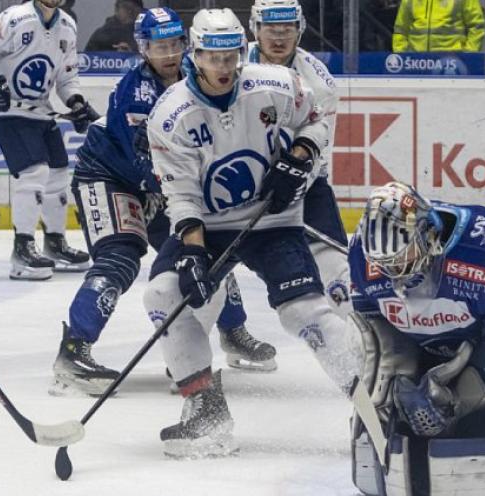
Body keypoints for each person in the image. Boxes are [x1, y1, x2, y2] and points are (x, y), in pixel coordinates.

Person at [143, 7, 361, 458]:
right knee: (166, 295)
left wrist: (300, 153)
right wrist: (192, 253)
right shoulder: (170, 115)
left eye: (230, 57)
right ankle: (206, 412)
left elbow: (316, 118)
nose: (223, 69)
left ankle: (374, 403)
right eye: (212, 58)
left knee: (304, 309)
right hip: (212, 225)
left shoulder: (273, 84)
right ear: (195, 54)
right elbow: (181, 194)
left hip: (273, 219)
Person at [49, 7, 275, 396]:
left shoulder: (202, 74)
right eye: (158, 46)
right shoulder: (134, 94)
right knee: (119, 258)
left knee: (205, 251)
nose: (168, 54)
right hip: (110, 177)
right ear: (143, 49)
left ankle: (233, 331)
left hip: (161, 183)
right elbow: (148, 161)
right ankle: (73, 350)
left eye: (174, 44)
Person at [347, 181, 485, 493]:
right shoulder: (362, 252)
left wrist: (457, 400)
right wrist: (395, 379)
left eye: (401, 258)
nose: (394, 273)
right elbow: (373, 324)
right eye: (384, 264)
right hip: (435, 353)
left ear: (428, 232)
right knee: (419, 476)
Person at [0, 0, 99, 280]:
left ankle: (54, 243)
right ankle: (22, 248)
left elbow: (66, 78)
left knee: (59, 174)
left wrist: (75, 102)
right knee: (34, 172)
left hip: (41, 112)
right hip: (8, 111)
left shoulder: (67, 26)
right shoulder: (15, 17)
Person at [247, 0, 351, 320]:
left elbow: (317, 151)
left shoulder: (319, 83)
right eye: (270, 30)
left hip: (300, 184)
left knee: (336, 266)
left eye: (287, 30)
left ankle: (364, 337)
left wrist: (288, 187)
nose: (279, 38)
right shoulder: (227, 62)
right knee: (209, 273)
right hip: (234, 184)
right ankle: (226, 333)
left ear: (300, 30)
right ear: (256, 29)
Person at [392, 0, 485, 52]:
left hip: (452, 61)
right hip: (417, 62)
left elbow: (477, 26)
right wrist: (402, 56)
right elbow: (400, 31)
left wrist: (468, 54)